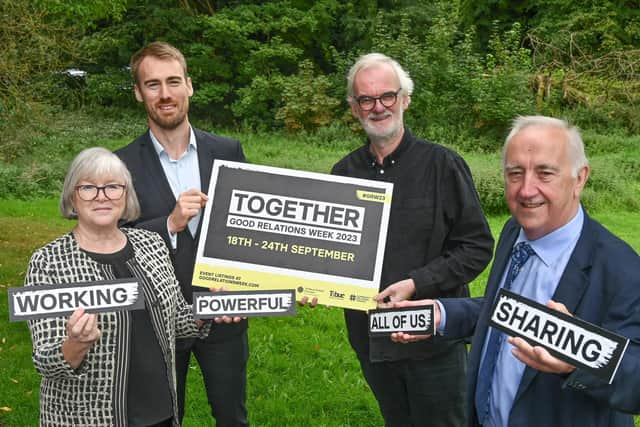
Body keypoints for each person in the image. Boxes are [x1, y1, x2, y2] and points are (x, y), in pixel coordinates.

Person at [390, 116, 640, 426]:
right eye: (515, 173)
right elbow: (511, 312)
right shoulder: (514, 231)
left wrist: (577, 359)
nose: (526, 190)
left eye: (545, 173)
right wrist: (443, 314)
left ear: (580, 178)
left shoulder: (623, 270)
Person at [330, 52, 494, 427]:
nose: (378, 107)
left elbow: (477, 246)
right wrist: (317, 283)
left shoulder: (442, 164)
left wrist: (418, 283)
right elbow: (333, 249)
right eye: (366, 99)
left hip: (431, 340)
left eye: (387, 96)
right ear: (355, 108)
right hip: (371, 338)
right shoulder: (344, 172)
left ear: (405, 99)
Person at [116, 41, 249, 426]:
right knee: (162, 417)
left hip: (224, 313)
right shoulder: (121, 163)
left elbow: (248, 233)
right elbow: (113, 244)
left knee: (232, 416)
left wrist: (241, 288)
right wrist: (168, 225)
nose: (165, 93)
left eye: (173, 81)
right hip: (156, 319)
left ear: (189, 85)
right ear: (139, 93)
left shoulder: (228, 150)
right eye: (152, 84)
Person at [25, 147, 207, 426]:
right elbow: (46, 362)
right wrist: (76, 343)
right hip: (87, 419)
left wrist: (213, 305)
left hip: (161, 413)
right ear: (73, 197)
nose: (101, 196)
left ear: (126, 195)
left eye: (112, 187)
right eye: (88, 188)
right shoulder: (48, 262)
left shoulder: (152, 245)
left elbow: (179, 324)